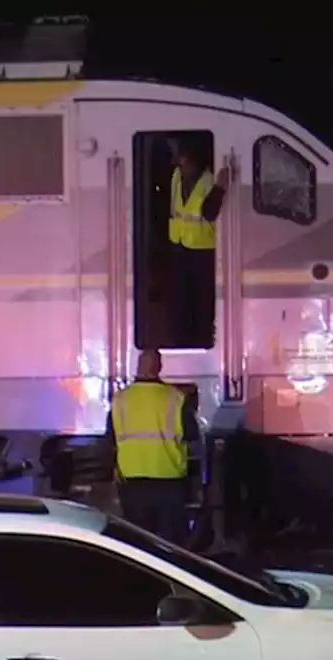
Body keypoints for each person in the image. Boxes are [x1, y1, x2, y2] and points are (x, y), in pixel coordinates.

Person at [108, 350, 201, 544]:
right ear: (159, 368)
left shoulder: (120, 400)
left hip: (132, 484)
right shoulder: (175, 398)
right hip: (169, 481)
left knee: (139, 544)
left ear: (138, 367)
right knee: (172, 544)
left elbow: (110, 441)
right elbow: (192, 438)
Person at [168, 139, 228, 345]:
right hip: (180, 244)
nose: (180, 165)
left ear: (195, 162)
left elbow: (210, 213)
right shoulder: (177, 176)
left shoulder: (208, 181)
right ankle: (182, 335)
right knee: (181, 297)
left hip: (202, 249)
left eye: (184, 161)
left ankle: (201, 338)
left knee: (201, 299)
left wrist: (220, 187)